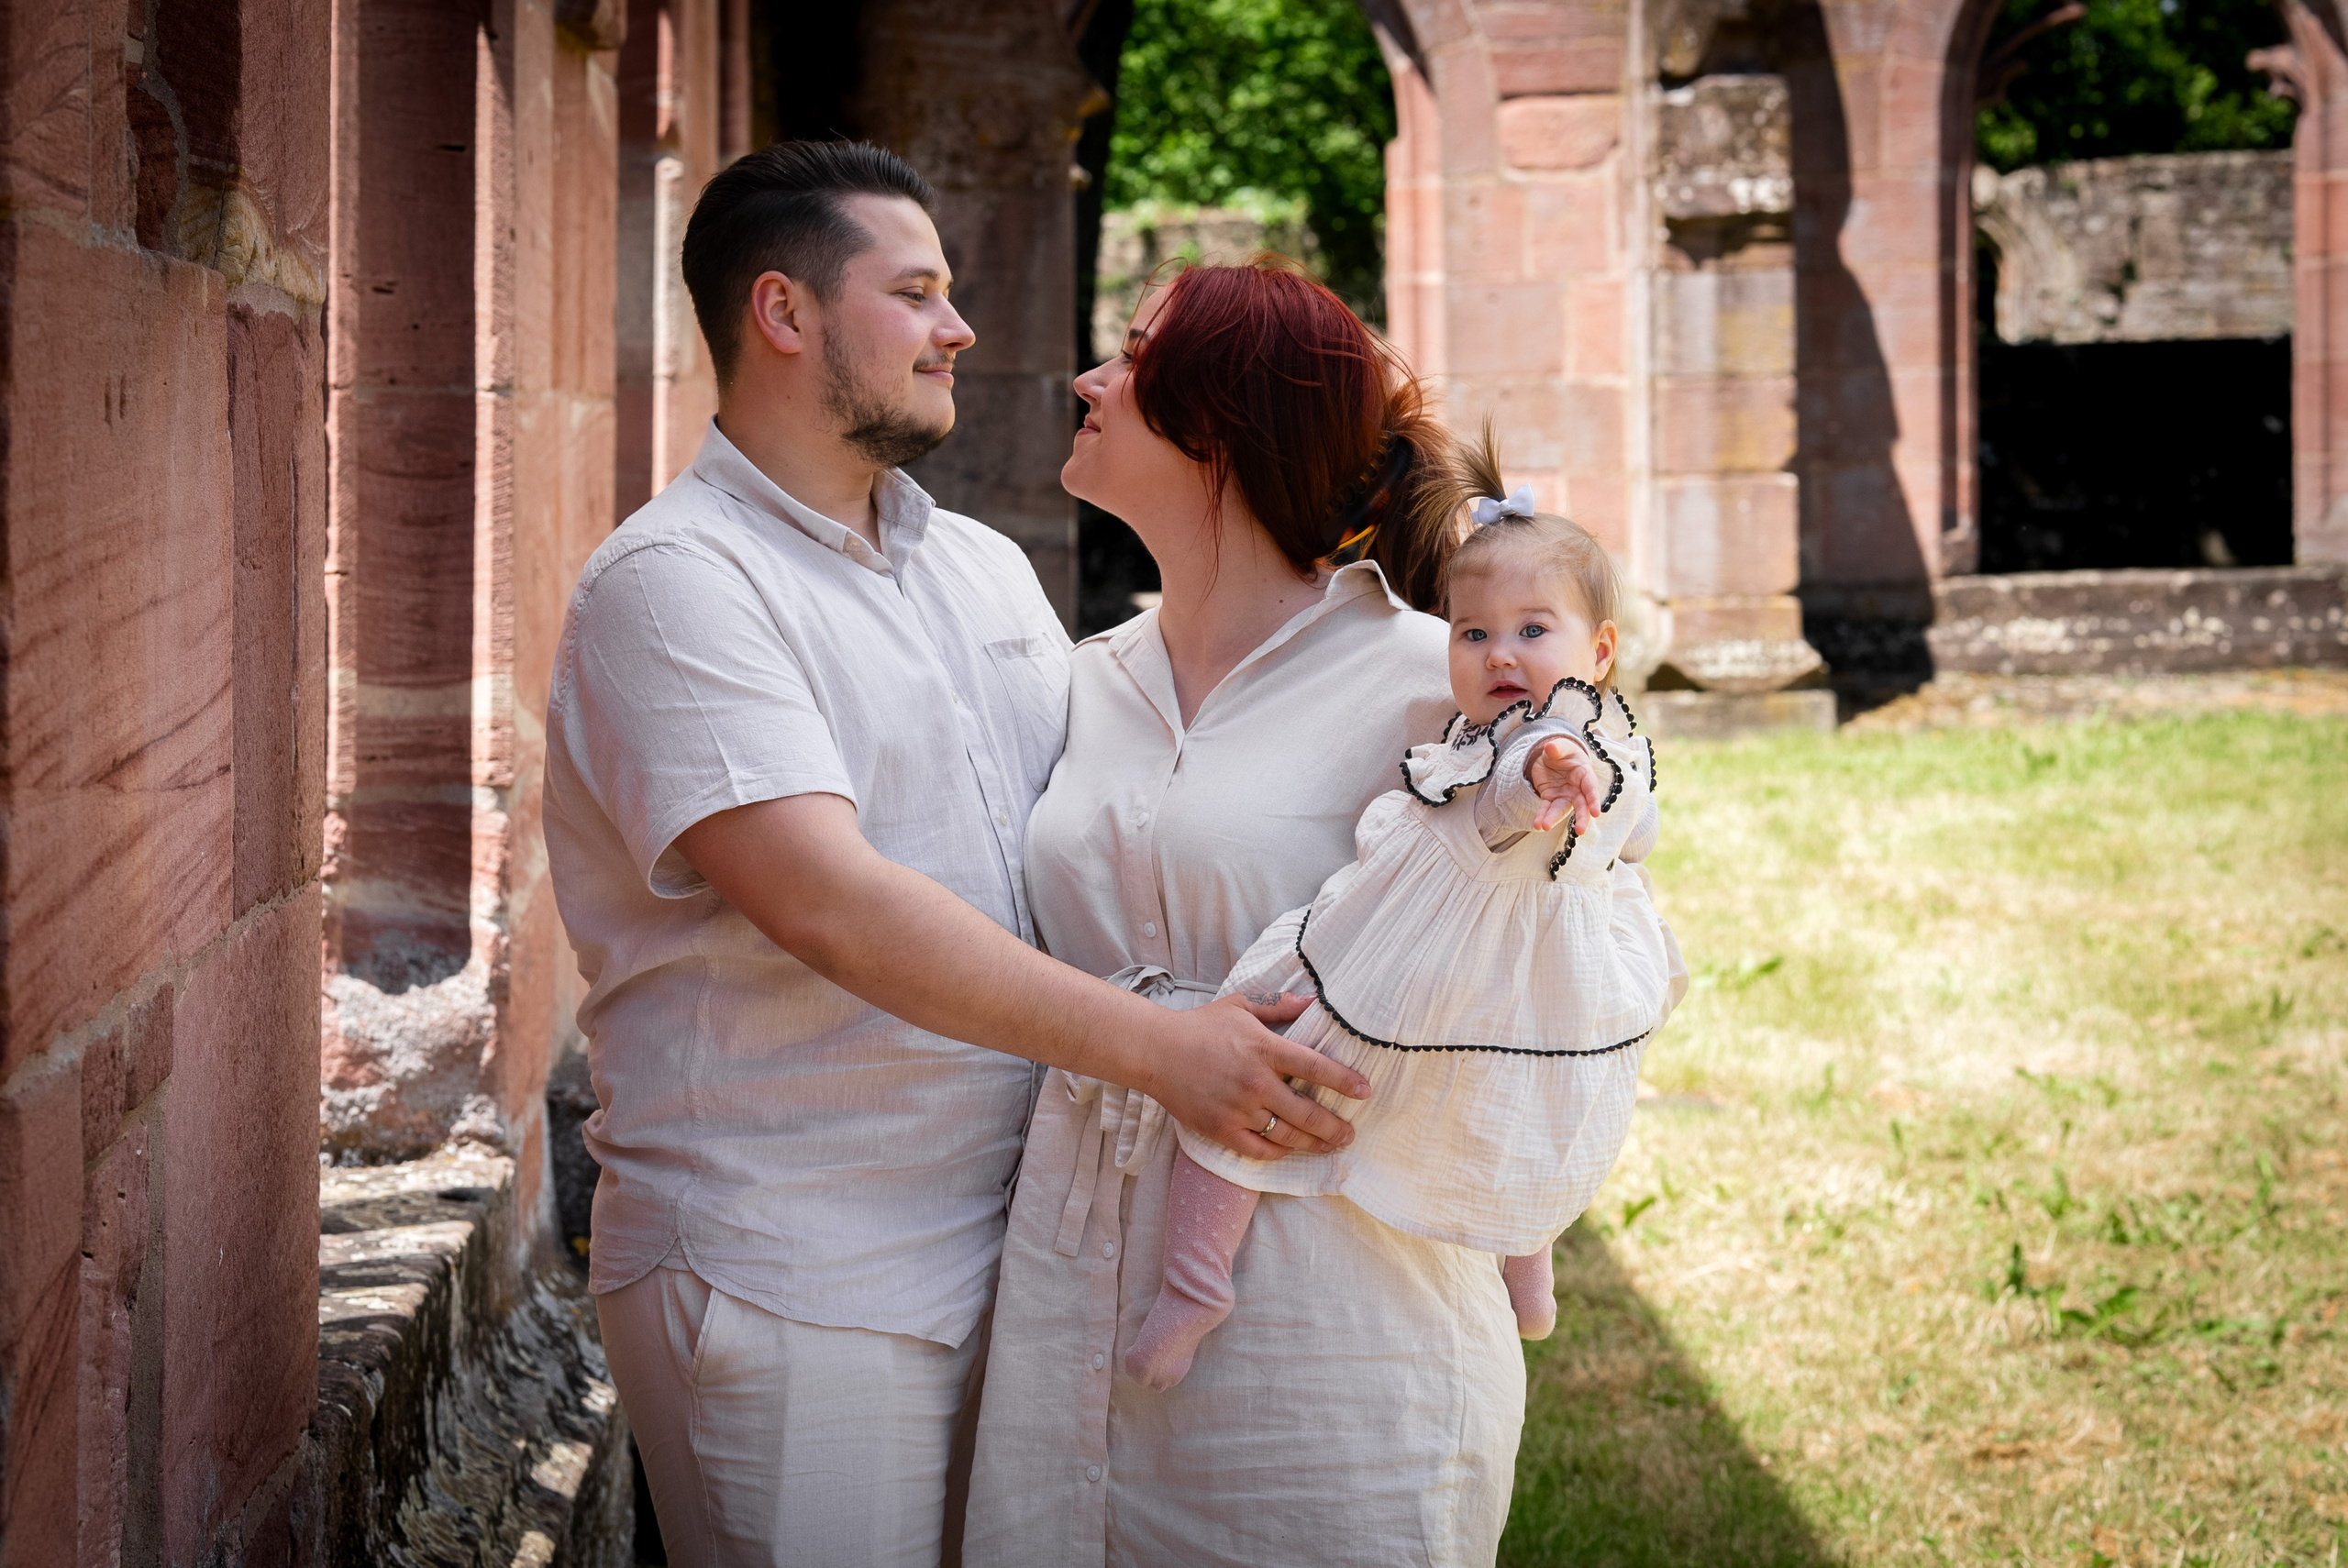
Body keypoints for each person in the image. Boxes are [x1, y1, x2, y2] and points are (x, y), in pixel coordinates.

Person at [541, 144, 1368, 1568]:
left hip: (1028, 1252)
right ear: (785, 313)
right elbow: (834, 904)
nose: (962, 328)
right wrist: (1171, 1049)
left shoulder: (980, 565)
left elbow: (1126, 804)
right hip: (796, 1271)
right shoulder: (675, 585)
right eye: (915, 291)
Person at [963, 259, 1535, 1566]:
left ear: (1217, 423)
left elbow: (1544, 967)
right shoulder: (1085, 680)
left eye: (1127, 354)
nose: (1084, 380)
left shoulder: (1424, 681)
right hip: (1075, 1271)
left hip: (1330, 1298)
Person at [1121, 455, 1689, 1390]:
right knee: (1257, 1067)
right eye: (1472, 633)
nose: (1499, 654)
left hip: (1503, 969)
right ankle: (1194, 1283)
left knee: (1518, 1103)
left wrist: (1560, 770)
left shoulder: (1563, 743)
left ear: (1599, 654)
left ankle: (1523, 1246)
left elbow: (1551, 788)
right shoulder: (1480, 737)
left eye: (1532, 630)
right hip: (1405, 946)